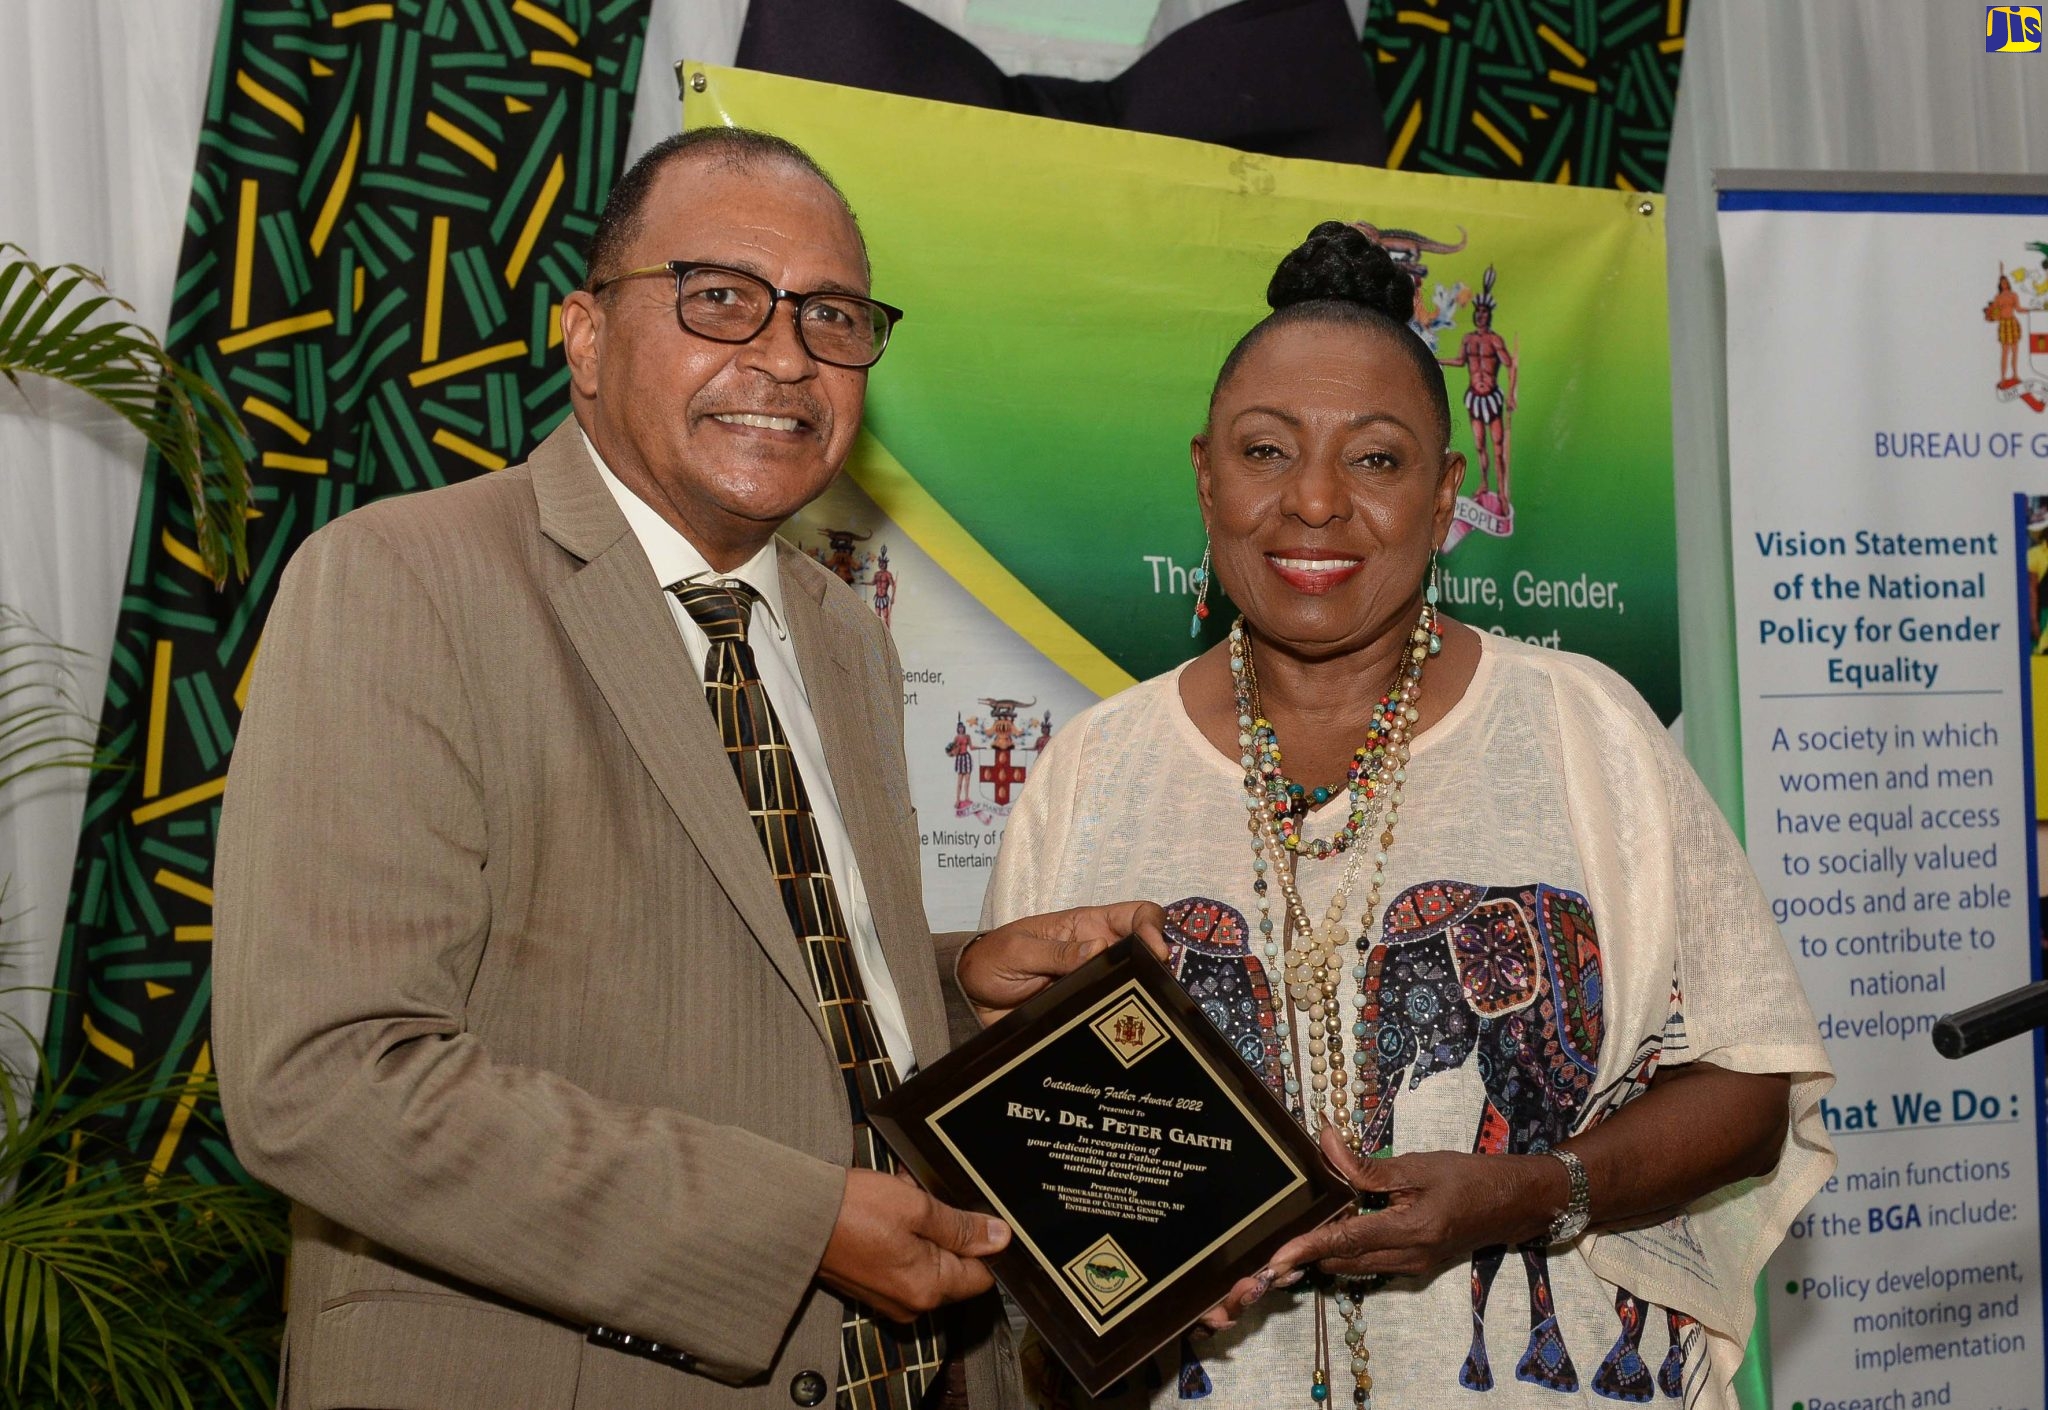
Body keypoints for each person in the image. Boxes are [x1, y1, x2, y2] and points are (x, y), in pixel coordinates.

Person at [213, 127, 1157, 1410]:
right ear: (584, 335)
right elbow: (327, 1081)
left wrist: (949, 984)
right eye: (720, 298)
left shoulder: (841, 640)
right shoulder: (403, 582)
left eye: (831, 317)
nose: (783, 357)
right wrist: (794, 1227)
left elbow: (755, 985)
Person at [968, 222, 1835, 1410]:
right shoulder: (1092, 772)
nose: (1313, 502)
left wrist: (1531, 1191)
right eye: (1264, 451)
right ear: (1204, 479)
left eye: (1374, 462)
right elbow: (1024, 1145)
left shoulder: (1586, 734)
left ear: (1443, 499)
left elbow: (1746, 1090)